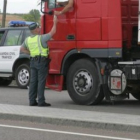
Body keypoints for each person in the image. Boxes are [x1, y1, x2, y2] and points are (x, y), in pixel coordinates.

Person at [20, 16, 58, 107]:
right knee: (41, 81)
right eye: (38, 27)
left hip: (32, 61)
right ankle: (41, 101)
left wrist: (31, 52)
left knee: (33, 82)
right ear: (36, 30)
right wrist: (55, 22)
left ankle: (32, 101)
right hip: (41, 62)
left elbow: (22, 49)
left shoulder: (28, 39)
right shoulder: (41, 38)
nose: (39, 28)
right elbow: (53, 32)